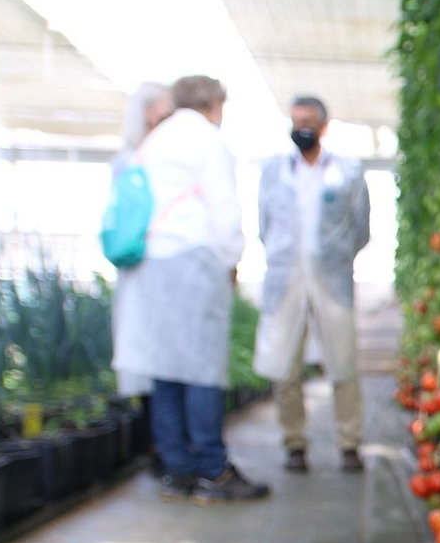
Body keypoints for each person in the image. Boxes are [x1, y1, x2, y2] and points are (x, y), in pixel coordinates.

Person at [111, 75, 270, 504]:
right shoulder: (205, 140)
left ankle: (178, 470)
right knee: (201, 369)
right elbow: (223, 209)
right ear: (214, 105)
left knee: (165, 370)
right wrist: (230, 259)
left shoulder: (153, 141)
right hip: (190, 261)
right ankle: (213, 472)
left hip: (149, 266)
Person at [254, 96, 371, 474]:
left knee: (343, 363)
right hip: (286, 279)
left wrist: (336, 258)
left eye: (307, 121)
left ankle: (349, 442)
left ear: (323, 126)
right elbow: (264, 226)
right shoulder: (273, 172)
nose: (300, 127)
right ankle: (294, 443)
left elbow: (361, 228)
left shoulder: (348, 173)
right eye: (295, 120)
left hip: (332, 279)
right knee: (285, 365)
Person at [110, 83, 176, 473]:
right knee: (153, 366)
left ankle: (167, 449)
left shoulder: (148, 158)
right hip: (146, 274)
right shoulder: (132, 161)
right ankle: (160, 449)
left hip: (161, 277)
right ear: (150, 114)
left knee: (164, 363)